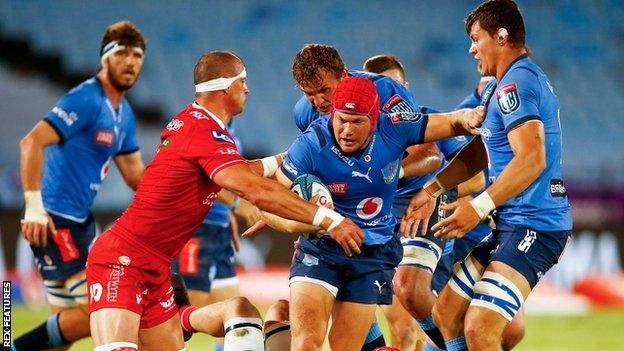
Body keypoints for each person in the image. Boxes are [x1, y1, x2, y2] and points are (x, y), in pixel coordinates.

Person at [85, 50, 364, 351]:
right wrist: (329, 219)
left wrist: (285, 159)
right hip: (123, 259)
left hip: (156, 265)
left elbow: (239, 174)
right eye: (242, 81)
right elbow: (255, 190)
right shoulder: (203, 131)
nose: (247, 88)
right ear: (226, 87)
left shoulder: (197, 124)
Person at [262, 74, 484, 351]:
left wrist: (467, 119)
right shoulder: (311, 143)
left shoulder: (394, 127)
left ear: (375, 119)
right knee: (306, 343)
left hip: (371, 252)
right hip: (320, 250)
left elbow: (454, 126)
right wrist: (313, 220)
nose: (347, 130)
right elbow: (271, 199)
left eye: (357, 122)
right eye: (341, 119)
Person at [404, 1, 572, 350]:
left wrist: (478, 207)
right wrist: (433, 189)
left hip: (535, 225)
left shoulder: (516, 85)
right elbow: (484, 150)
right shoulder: (502, 85)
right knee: (447, 313)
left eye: (476, 38)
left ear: (501, 36)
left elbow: (532, 159)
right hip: (511, 222)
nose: (471, 48)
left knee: (480, 329)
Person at [292, 45, 441, 351]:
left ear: (343, 76)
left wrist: (384, 174)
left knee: (405, 305)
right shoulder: (306, 112)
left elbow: (428, 154)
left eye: (324, 90)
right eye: (309, 94)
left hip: (406, 205)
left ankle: (453, 345)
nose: (319, 101)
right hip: (345, 216)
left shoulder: (388, 92)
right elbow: (312, 165)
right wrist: (297, 210)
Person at [13, 21, 147, 351]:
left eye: (137, 55)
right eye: (122, 54)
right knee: (106, 306)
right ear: (105, 58)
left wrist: (185, 190)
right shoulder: (86, 99)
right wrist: (33, 206)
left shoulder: (123, 112)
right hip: (54, 220)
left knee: (63, 333)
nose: (130, 62)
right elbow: (31, 143)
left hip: (80, 223)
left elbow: (135, 176)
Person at [364, 54, 485, 351]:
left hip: (430, 236)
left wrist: (435, 191)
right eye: (382, 89)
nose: (391, 96)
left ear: (406, 86)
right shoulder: (362, 133)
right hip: (386, 236)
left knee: (417, 321)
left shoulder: (431, 123)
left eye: (396, 86)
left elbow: (478, 178)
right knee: (401, 322)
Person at [171, 121, 261, 351]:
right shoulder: (201, 125)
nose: (246, 89)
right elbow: (198, 174)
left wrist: (226, 213)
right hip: (197, 231)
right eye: (240, 83)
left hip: (218, 230)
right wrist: (237, 203)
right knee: (178, 323)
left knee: (232, 320)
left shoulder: (228, 128)